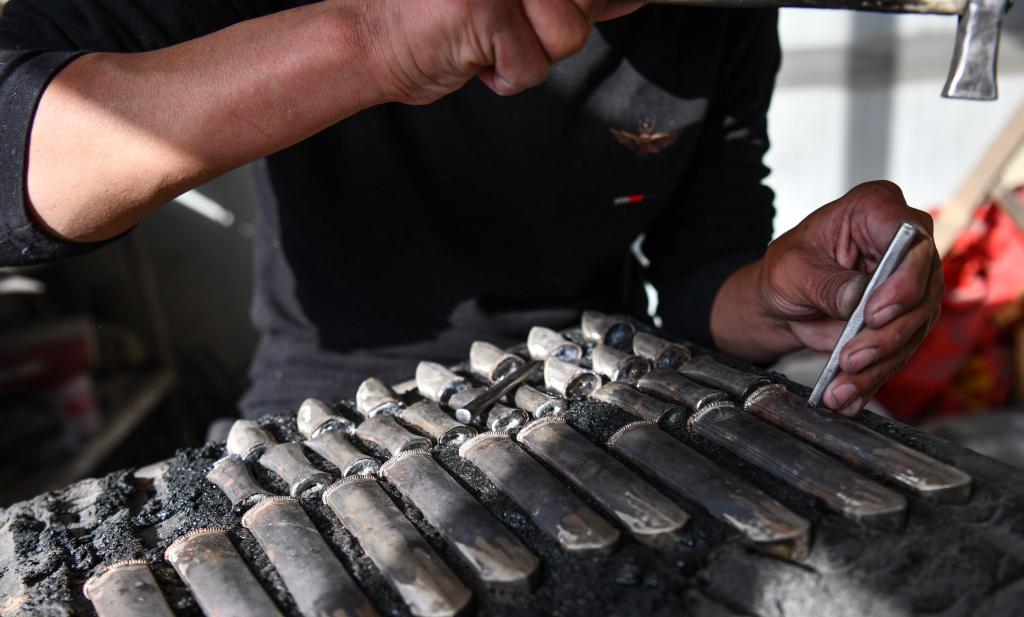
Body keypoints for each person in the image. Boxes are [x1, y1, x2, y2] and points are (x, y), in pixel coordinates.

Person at [0, 0, 942, 419]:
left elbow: (700, 271)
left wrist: (774, 295)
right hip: (335, 386)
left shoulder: (717, 12)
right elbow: (17, 159)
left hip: (602, 369)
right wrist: (370, 40)